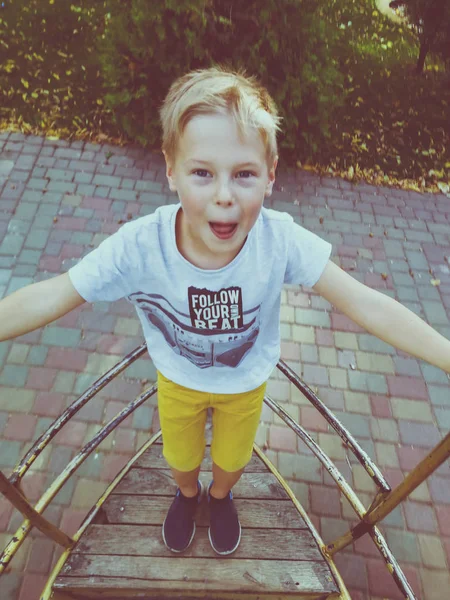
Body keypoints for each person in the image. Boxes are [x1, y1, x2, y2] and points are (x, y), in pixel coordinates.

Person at [0, 65, 449, 557]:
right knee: (180, 459)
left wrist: (445, 354)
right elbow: (56, 293)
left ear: (270, 176)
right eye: (202, 172)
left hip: (245, 384)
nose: (223, 196)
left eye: (243, 174)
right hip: (178, 379)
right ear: (170, 169)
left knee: (233, 460)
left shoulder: (278, 241)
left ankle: (220, 497)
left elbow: (365, 302)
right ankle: (187, 494)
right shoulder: (139, 247)